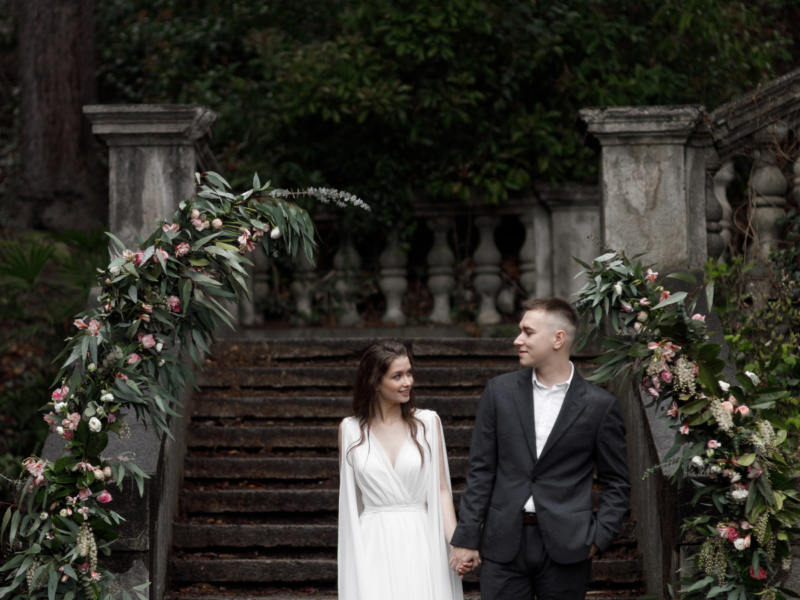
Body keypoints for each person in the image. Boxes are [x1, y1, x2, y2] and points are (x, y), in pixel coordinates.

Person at [449, 297, 631, 600]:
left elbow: (617, 482)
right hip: (502, 541)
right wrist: (467, 536)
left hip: (569, 545)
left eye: (528, 332)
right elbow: (481, 471)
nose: (517, 339)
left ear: (558, 339)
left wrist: (598, 538)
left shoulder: (600, 406)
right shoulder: (499, 392)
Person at [338, 341, 464, 600]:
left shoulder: (428, 423)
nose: (408, 382)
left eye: (409, 373)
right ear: (374, 382)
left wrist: (456, 543)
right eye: (397, 376)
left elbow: (441, 491)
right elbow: (352, 503)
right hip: (373, 540)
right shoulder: (349, 430)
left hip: (420, 536)